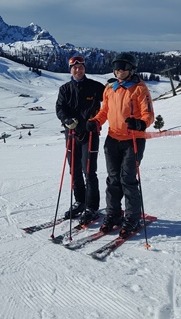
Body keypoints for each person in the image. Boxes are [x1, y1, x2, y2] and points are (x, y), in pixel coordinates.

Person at [87, 53, 155, 237]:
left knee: (128, 179)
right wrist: (95, 122)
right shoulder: (110, 88)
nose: (119, 70)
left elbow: (148, 114)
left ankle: (133, 217)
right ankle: (114, 214)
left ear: (131, 68)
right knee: (113, 179)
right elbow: (104, 111)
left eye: (123, 66)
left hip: (133, 139)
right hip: (112, 139)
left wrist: (140, 123)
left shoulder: (139, 88)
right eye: (116, 66)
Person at [56, 56, 105, 225]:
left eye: (81, 67)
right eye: (74, 68)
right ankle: (80, 201)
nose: (78, 70)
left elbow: (109, 98)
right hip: (71, 134)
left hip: (90, 134)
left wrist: (95, 120)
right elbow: (60, 108)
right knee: (74, 170)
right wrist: (66, 120)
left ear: (84, 68)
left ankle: (92, 207)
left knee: (89, 171)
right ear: (70, 70)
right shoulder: (65, 89)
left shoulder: (95, 87)